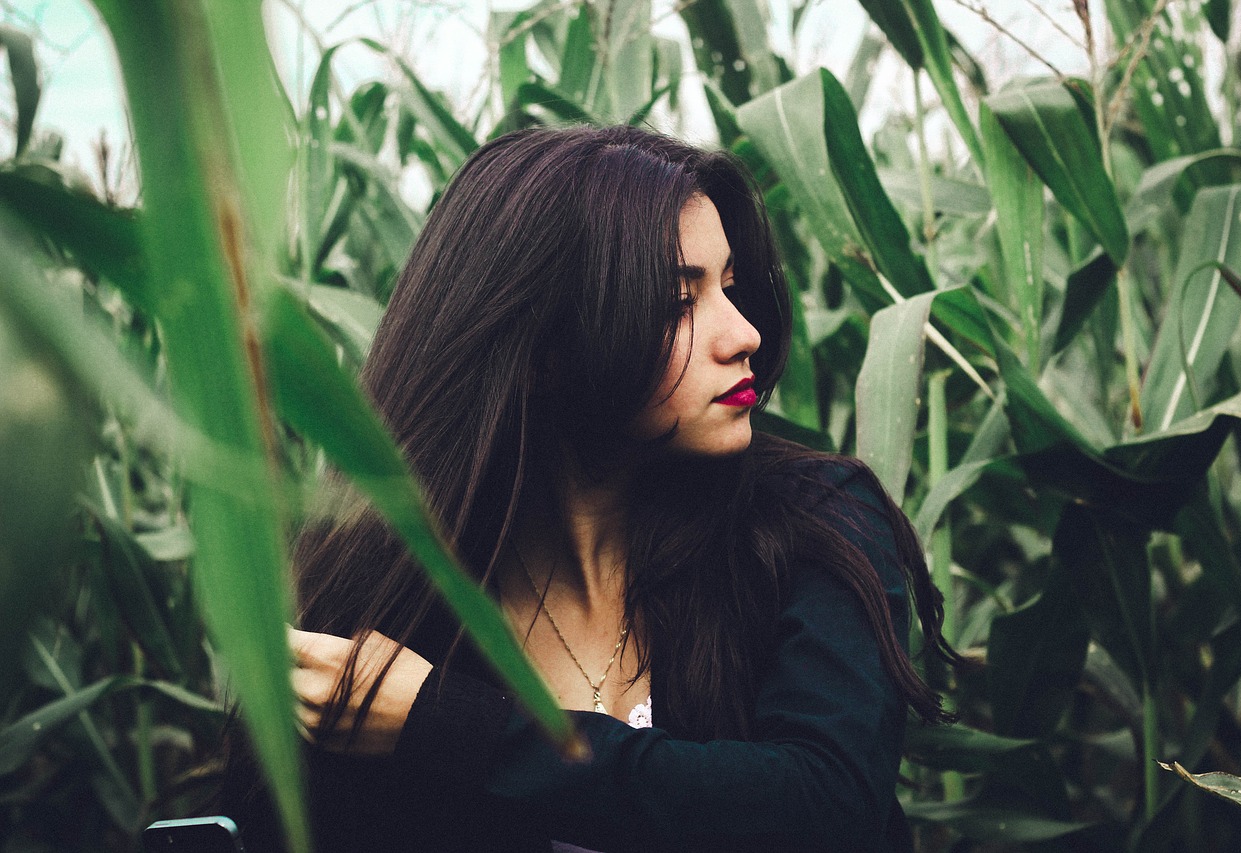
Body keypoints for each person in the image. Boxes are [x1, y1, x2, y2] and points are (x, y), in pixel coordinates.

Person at [220, 125, 957, 852]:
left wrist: (448, 724)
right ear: (542, 350)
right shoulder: (394, 608)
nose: (743, 335)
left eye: (729, 287)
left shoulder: (812, 523)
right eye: (679, 302)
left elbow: (826, 810)